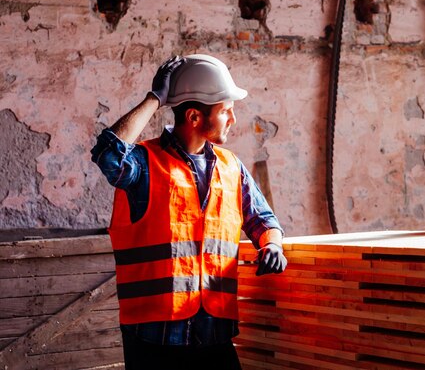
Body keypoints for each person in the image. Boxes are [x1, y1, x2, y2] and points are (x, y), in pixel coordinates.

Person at [91, 54, 287, 369]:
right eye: (225, 111)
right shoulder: (144, 163)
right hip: (155, 336)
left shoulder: (230, 166)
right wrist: (155, 99)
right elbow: (107, 154)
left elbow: (263, 220)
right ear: (194, 116)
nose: (233, 119)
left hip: (214, 329)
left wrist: (272, 243)